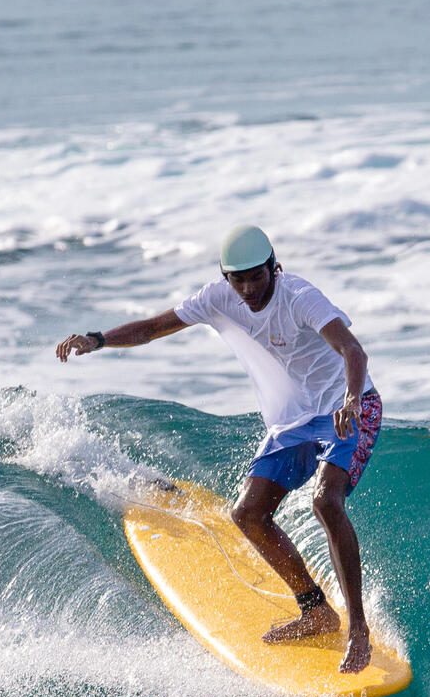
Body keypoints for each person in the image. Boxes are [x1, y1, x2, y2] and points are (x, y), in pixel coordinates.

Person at [55, 225, 382, 674]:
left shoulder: (301, 297)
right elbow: (153, 328)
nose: (248, 288)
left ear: (274, 266)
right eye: (238, 279)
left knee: (327, 501)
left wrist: (349, 399)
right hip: (297, 419)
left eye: (257, 276)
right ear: (226, 278)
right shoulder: (218, 297)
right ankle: (315, 610)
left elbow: (352, 350)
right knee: (248, 514)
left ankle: (358, 630)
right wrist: (99, 339)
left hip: (349, 405)